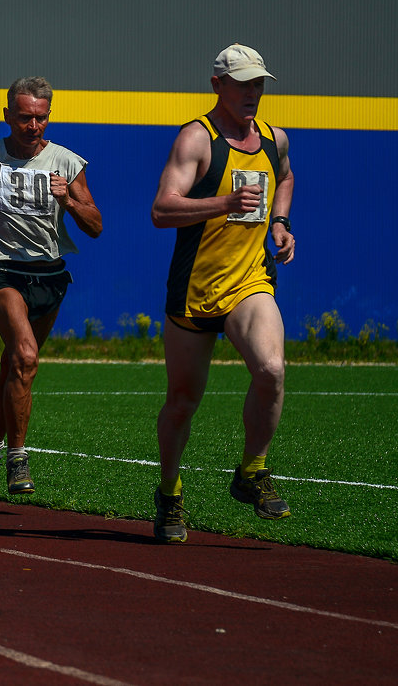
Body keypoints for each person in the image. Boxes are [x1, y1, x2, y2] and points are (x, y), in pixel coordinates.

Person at [150, 44, 295, 544]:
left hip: (249, 281)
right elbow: (162, 209)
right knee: (184, 401)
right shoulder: (198, 138)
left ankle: (252, 471)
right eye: (243, 83)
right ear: (218, 85)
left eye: (259, 83)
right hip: (195, 289)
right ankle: (169, 492)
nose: (253, 93)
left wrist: (279, 221)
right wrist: (225, 202)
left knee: (272, 370)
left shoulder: (275, 139)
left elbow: (287, 177)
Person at [0, 77, 102, 505]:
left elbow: (96, 226)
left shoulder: (66, 162)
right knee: (26, 355)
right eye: (26, 117)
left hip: (49, 274)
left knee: (18, 366)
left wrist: (69, 200)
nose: (34, 125)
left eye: (42, 117)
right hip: (0, 270)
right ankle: (17, 456)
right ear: (7, 114)